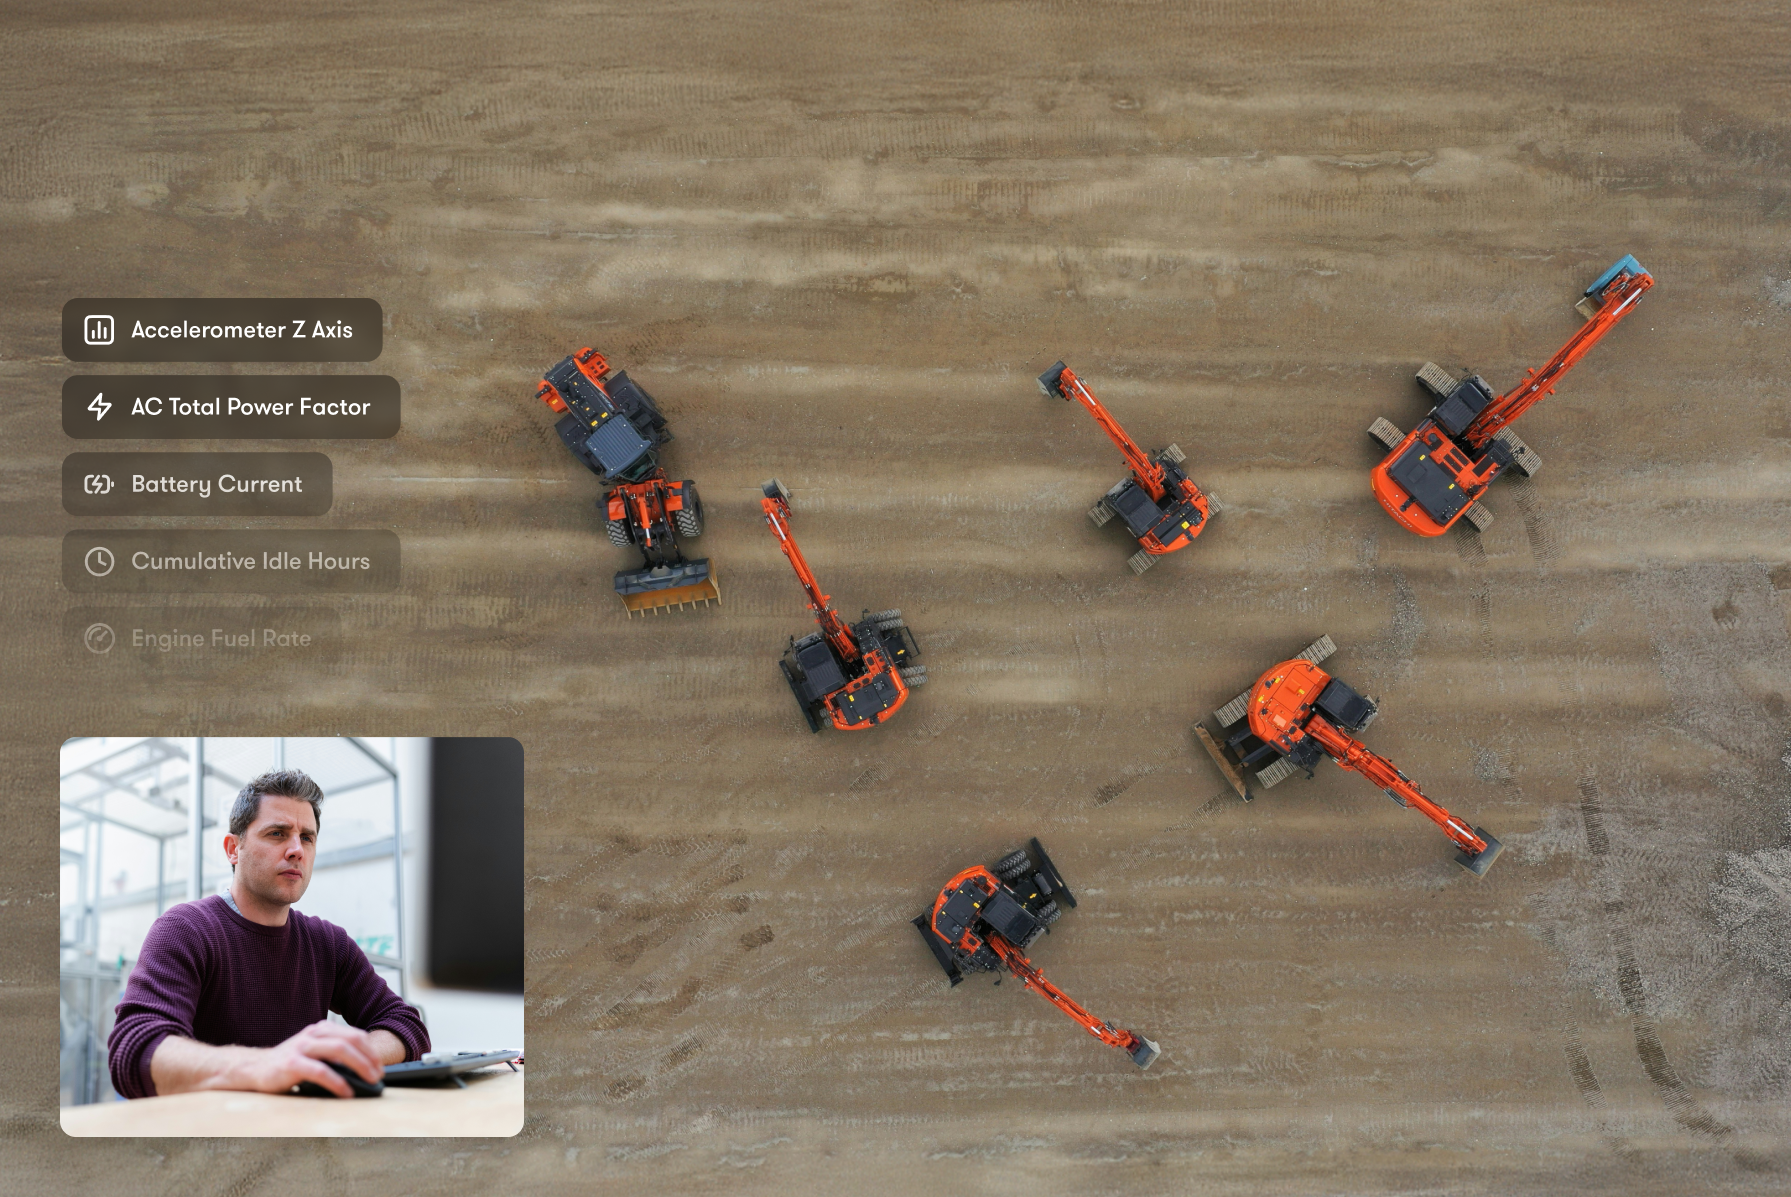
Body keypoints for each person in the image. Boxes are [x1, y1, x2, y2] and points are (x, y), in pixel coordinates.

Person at [107, 769, 430, 1099]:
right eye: (277, 833)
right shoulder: (186, 929)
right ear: (233, 849)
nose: (296, 850)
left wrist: (336, 1059)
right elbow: (135, 1050)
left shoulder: (328, 944)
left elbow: (406, 1024)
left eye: (307, 837)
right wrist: (266, 1065)